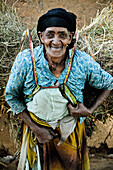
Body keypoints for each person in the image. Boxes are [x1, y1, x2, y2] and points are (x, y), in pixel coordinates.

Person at [5, 8, 113, 170]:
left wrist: (89, 110)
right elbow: (11, 96)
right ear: (41, 37)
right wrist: (37, 129)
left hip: (70, 134)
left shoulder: (82, 62)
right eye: (50, 35)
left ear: (70, 38)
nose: (56, 41)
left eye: (62, 35)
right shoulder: (26, 61)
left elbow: (109, 83)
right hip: (38, 135)